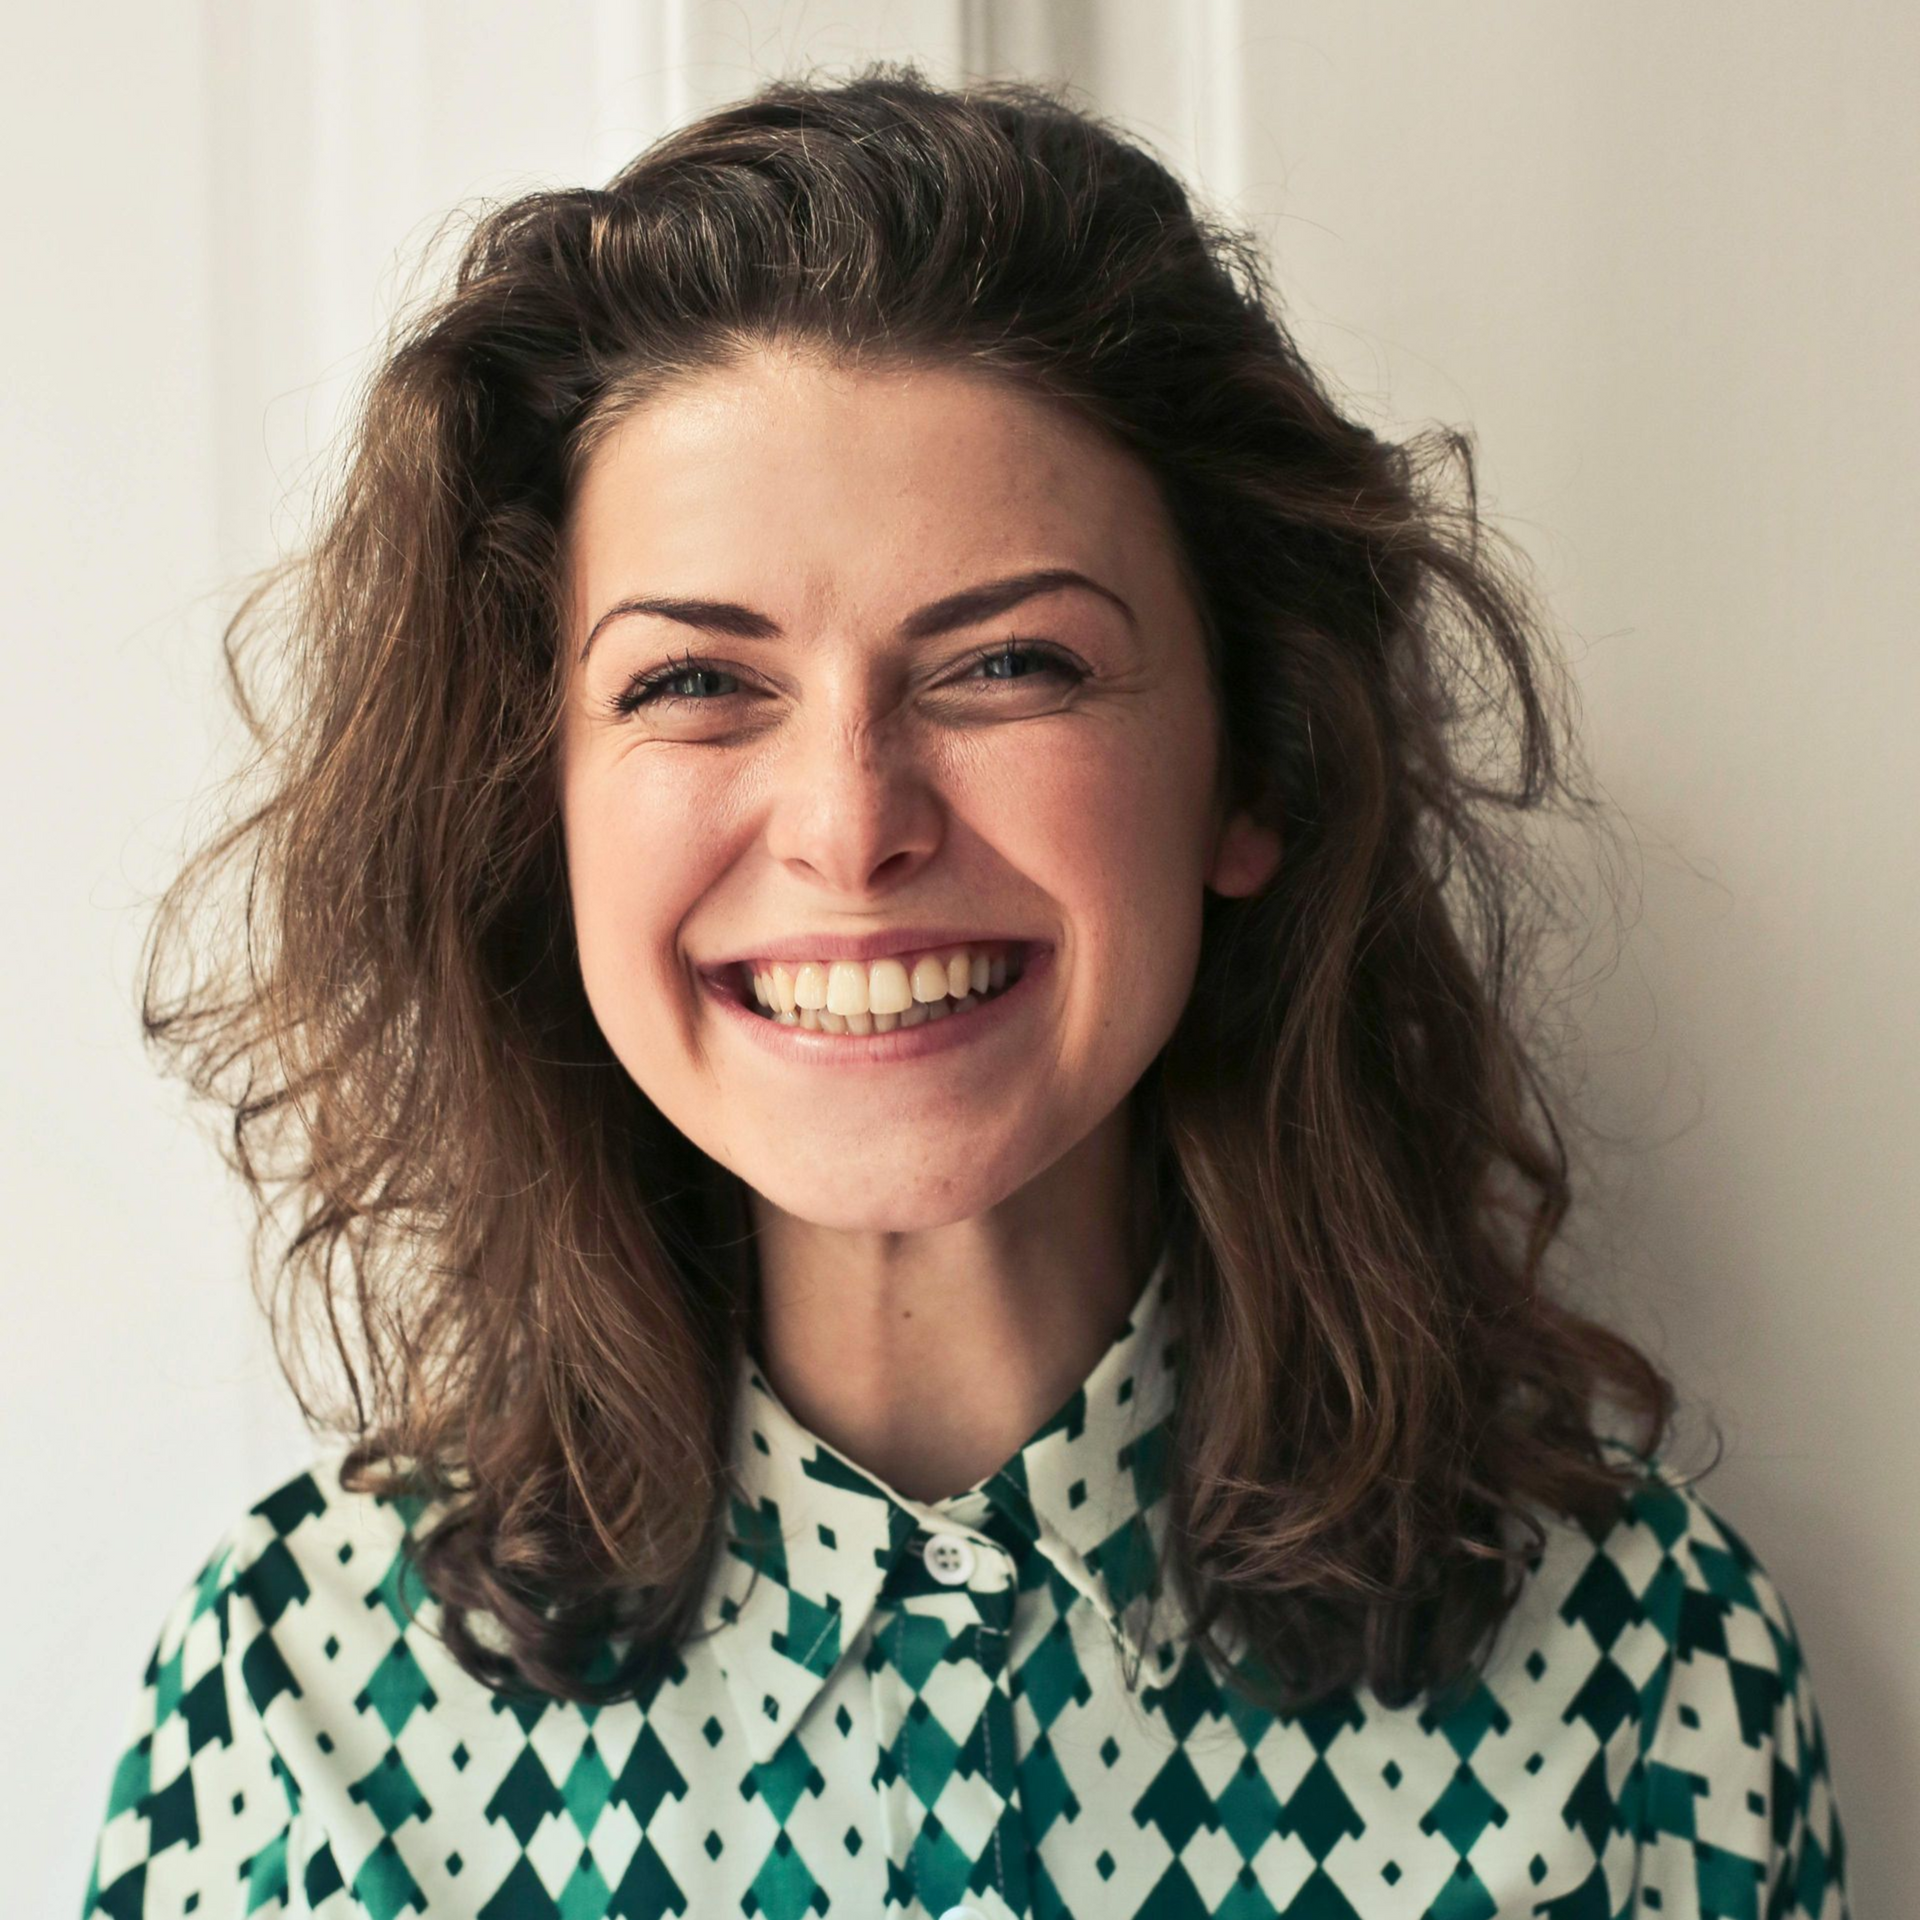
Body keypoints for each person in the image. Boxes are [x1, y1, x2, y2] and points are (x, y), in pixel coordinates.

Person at [80, 62, 1849, 1920]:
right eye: (694, 682)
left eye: (1009, 662)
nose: (852, 824)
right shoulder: (295, 1704)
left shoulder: (1643, 1686)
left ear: (1258, 769)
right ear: (541, 810)